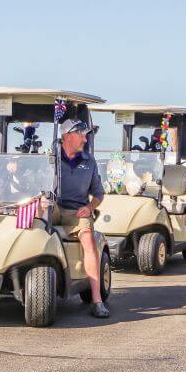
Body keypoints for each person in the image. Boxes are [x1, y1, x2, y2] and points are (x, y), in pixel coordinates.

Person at [54, 119, 109, 318]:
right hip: (53, 208)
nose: (85, 140)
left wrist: (89, 207)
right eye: (81, 135)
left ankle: (97, 300)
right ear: (67, 136)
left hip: (77, 212)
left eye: (85, 135)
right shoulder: (51, 158)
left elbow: (99, 194)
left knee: (88, 239)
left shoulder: (89, 161)